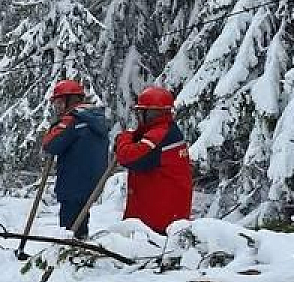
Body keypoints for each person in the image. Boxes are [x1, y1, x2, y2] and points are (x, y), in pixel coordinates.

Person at [114, 86, 193, 233]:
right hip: (166, 213)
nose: (138, 116)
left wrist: (124, 138)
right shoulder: (168, 130)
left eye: (140, 111)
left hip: (158, 219)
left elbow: (129, 157)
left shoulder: (160, 135)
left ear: (150, 113)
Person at [40, 79, 110, 239]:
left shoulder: (73, 119)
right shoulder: (95, 118)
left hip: (73, 181)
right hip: (92, 180)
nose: (57, 107)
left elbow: (51, 144)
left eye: (59, 102)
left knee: (69, 227)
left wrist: (54, 128)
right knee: (81, 222)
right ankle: (80, 248)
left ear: (70, 100)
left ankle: (69, 253)